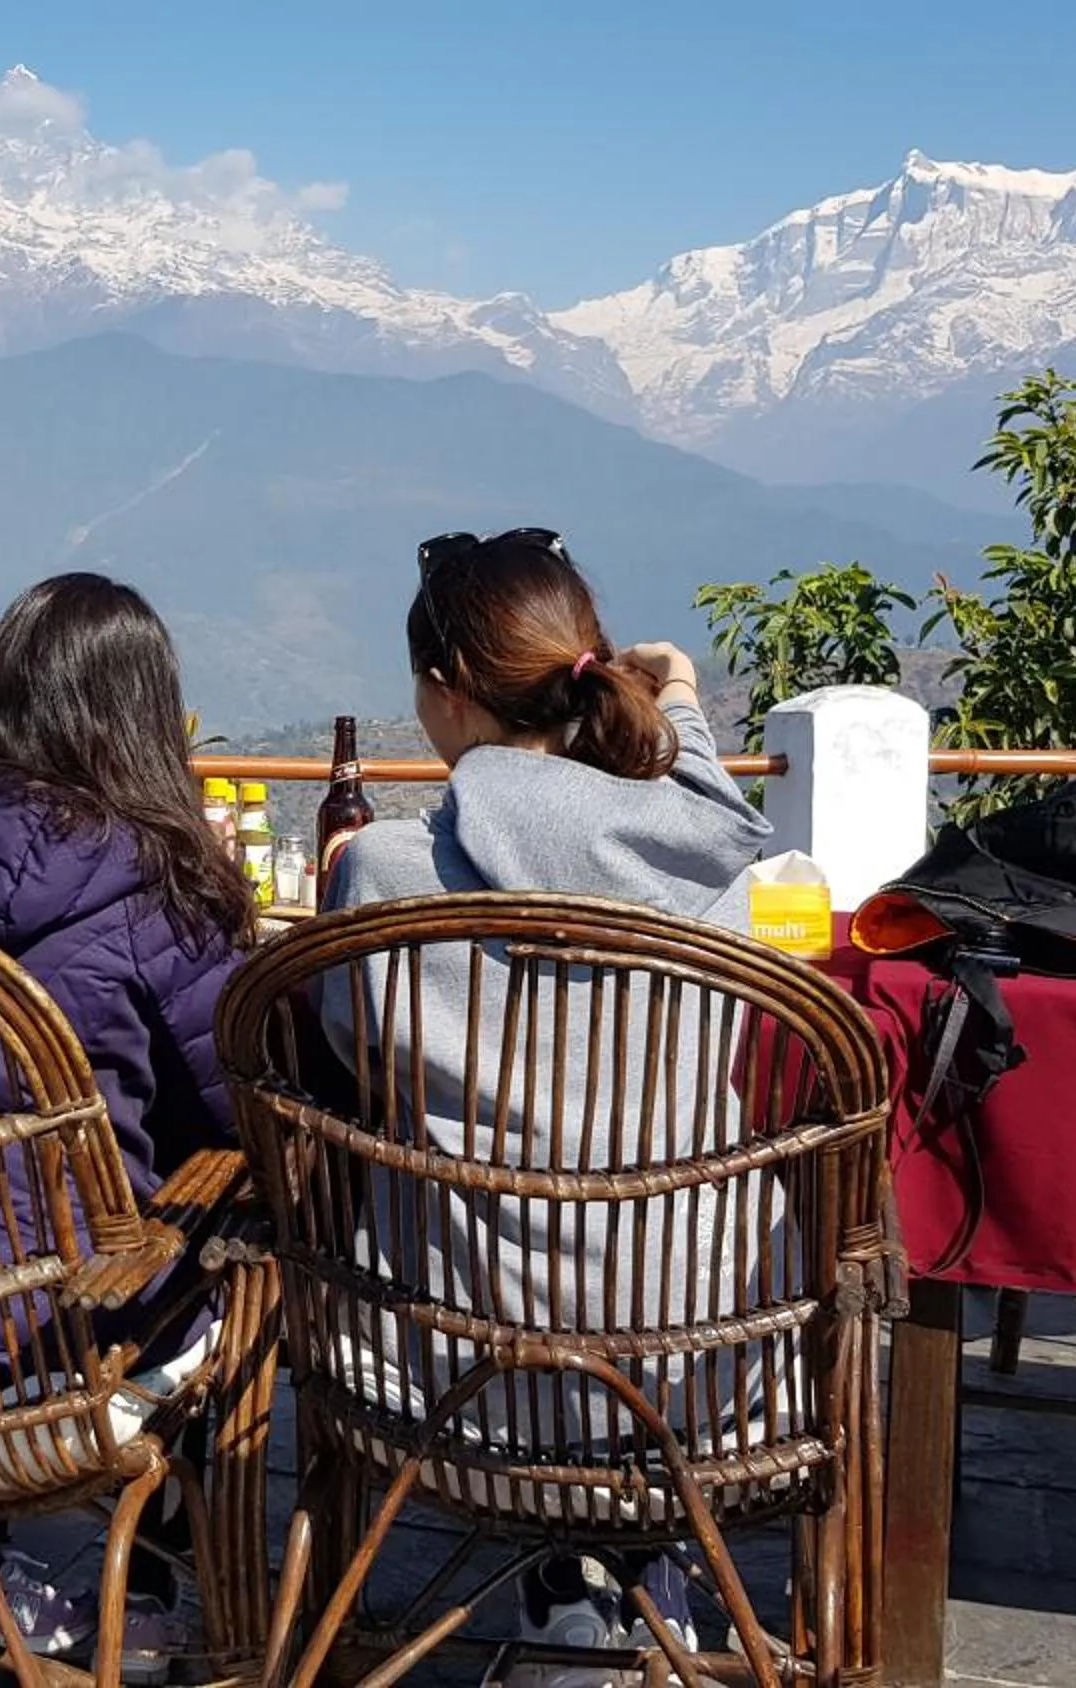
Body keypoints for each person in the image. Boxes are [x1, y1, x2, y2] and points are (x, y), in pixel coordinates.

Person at [314, 527, 775, 1684]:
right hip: (704, 1367)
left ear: (445, 687)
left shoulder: (382, 880)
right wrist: (675, 696)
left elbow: (348, 1064)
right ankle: (631, 1560)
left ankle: (577, 1579)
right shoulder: (708, 873)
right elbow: (699, 799)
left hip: (462, 1368)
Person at [0, 571, 252, 1670]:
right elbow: (239, 1105)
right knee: (232, 1236)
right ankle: (163, 1591)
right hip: (55, 1327)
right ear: (143, 714)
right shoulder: (156, 888)